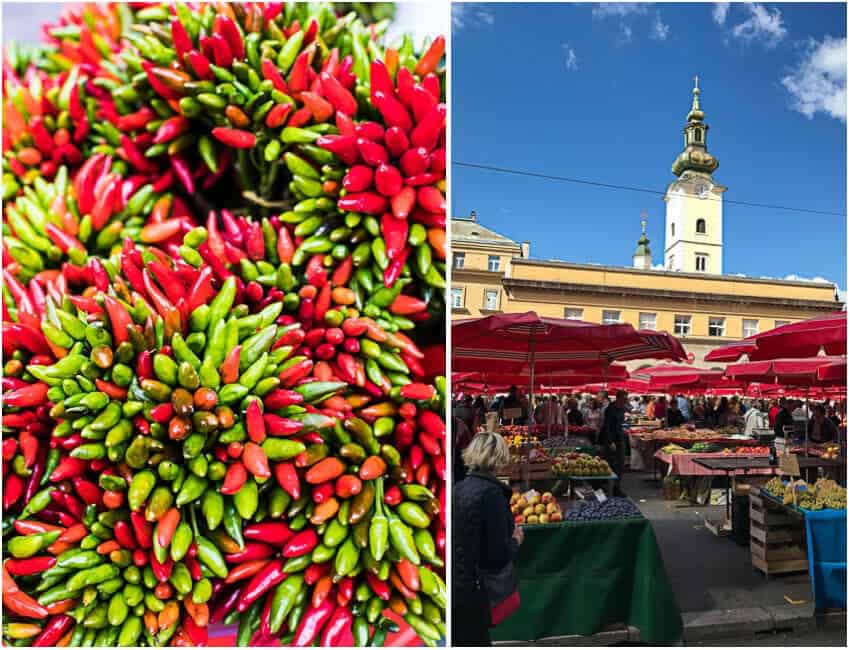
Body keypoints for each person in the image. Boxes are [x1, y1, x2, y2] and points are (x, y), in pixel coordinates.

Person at [452, 432, 524, 646]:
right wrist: (516, 541)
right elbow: (496, 556)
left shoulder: (458, 488)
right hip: (474, 592)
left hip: (456, 587)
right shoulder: (492, 495)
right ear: (499, 457)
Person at [599, 390, 628, 497]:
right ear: (618, 398)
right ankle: (606, 486)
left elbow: (620, 423)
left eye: (626, 399)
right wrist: (610, 442)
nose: (625, 401)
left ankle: (616, 487)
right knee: (609, 464)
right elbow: (607, 427)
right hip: (611, 440)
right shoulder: (610, 409)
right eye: (624, 399)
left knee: (620, 465)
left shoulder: (622, 409)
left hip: (620, 439)